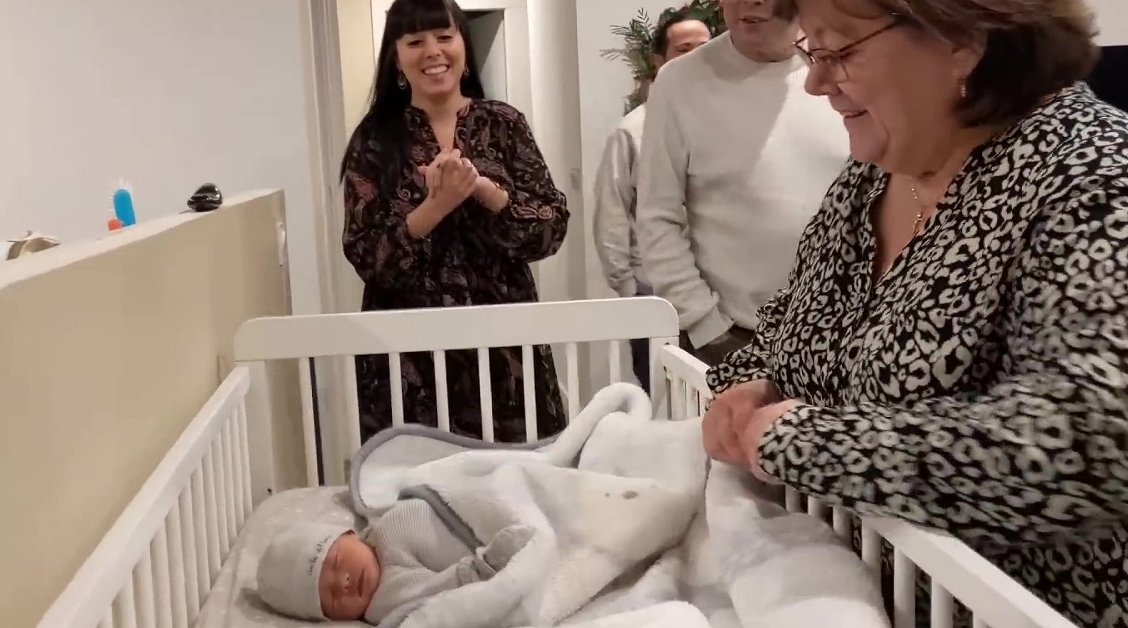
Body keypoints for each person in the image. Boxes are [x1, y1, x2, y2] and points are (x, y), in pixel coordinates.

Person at [701, 0, 1128, 624]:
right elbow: (795, 319)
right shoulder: (872, 175)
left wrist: (808, 445)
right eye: (811, 51)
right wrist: (753, 380)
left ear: (962, 39)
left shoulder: (1098, 181)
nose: (816, 82)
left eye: (840, 51)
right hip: (855, 587)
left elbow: (1093, 440)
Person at [340, 0, 569, 444]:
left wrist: (483, 189)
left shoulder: (505, 124)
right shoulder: (375, 139)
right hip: (409, 358)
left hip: (506, 351)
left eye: (445, 37)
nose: (433, 51)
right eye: (415, 41)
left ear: (463, 46)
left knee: (520, 475)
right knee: (413, 478)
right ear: (396, 57)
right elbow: (367, 256)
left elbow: (549, 230)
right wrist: (436, 206)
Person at [635, 0, 848, 366]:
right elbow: (657, 217)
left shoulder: (846, 63)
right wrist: (708, 327)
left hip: (843, 335)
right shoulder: (680, 81)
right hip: (734, 337)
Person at [592, 10, 712, 390]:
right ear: (660, 61)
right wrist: (630, 292)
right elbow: (611, 214)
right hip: (655, 295)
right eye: (684, 49)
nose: (697, 57)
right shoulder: (632, 132)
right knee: (663, 398)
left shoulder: (727, 124)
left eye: (705, 47)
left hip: (720, 295)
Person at [256, 502, 531, 624]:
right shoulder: (383, 602)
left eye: (337, 561)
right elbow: (441, 593)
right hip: (498, 551)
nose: (344, 581)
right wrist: (486, 566)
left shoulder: (383, 523)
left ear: (349, 534)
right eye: (332, 597)